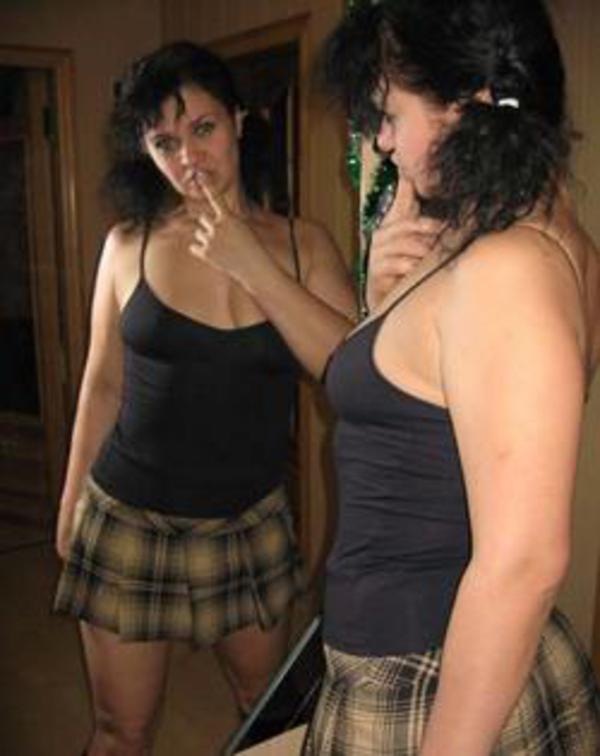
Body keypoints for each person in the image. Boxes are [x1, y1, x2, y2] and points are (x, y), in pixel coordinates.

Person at [190, 0, 600, 753]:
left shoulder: (507, 267)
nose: (381, 140)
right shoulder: (521, 235)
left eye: (389, 114)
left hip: (427, 678)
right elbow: (424, 407)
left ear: (471, 103)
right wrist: (382, 301)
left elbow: (525, 562)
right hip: (429, 650)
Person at [52, 40, 357, 756]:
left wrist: (253, 265)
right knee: (120, 732)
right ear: (145, 151)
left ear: (240, 121)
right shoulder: (128, 244)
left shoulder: (303, 246)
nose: (188, 156)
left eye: (203, 128)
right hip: (128, 518)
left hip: (248, 523)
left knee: (265, 718)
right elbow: (103, 382)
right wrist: (70, 504)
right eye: (164, 142)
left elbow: (351, 378)